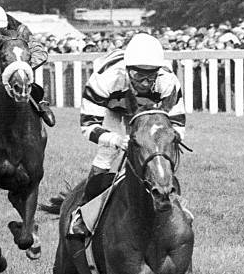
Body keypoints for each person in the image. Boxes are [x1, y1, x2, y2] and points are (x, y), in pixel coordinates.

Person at [68, 32, 187, 237]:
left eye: (151, 75)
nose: (145, 82)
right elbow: (88, 126)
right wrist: (116, 140)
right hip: (113, 109)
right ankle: (84, 212)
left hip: (150, 113)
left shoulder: (168, 82)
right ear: (127, 70)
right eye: (138, 75)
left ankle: (175, 205)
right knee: (106, 155)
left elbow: (177, 126)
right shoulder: (105, 80)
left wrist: (158, 144)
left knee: (160, 157)